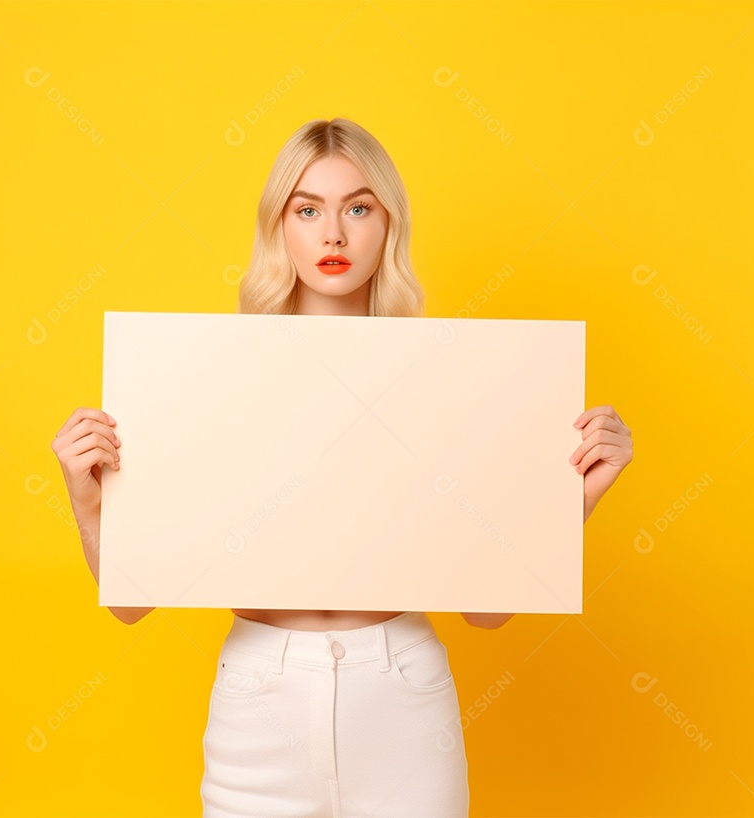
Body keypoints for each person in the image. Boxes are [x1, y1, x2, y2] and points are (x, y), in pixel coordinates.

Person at [51, 117, 633, 817]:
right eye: (308, 209)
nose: (333, 234)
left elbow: (486, 612)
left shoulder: (444, 377)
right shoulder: (206, 375)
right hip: (258, 700)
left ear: (388, 225)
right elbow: (129, 603)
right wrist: (87, 502)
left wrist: (572, 497)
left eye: (358, 208)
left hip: (403, 697)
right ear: (279, 226)